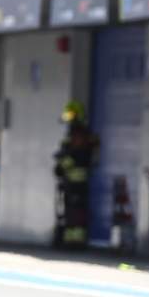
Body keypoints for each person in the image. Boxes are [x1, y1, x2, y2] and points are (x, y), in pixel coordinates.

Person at [53, 100, 99, 248]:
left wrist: (62, 166)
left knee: (76, 209)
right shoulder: (75, 134)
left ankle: (75, 241)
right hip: (69, 178)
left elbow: (75, 156)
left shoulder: (81, 135)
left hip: (76, 179)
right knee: (69, 209)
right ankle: (69, 239)